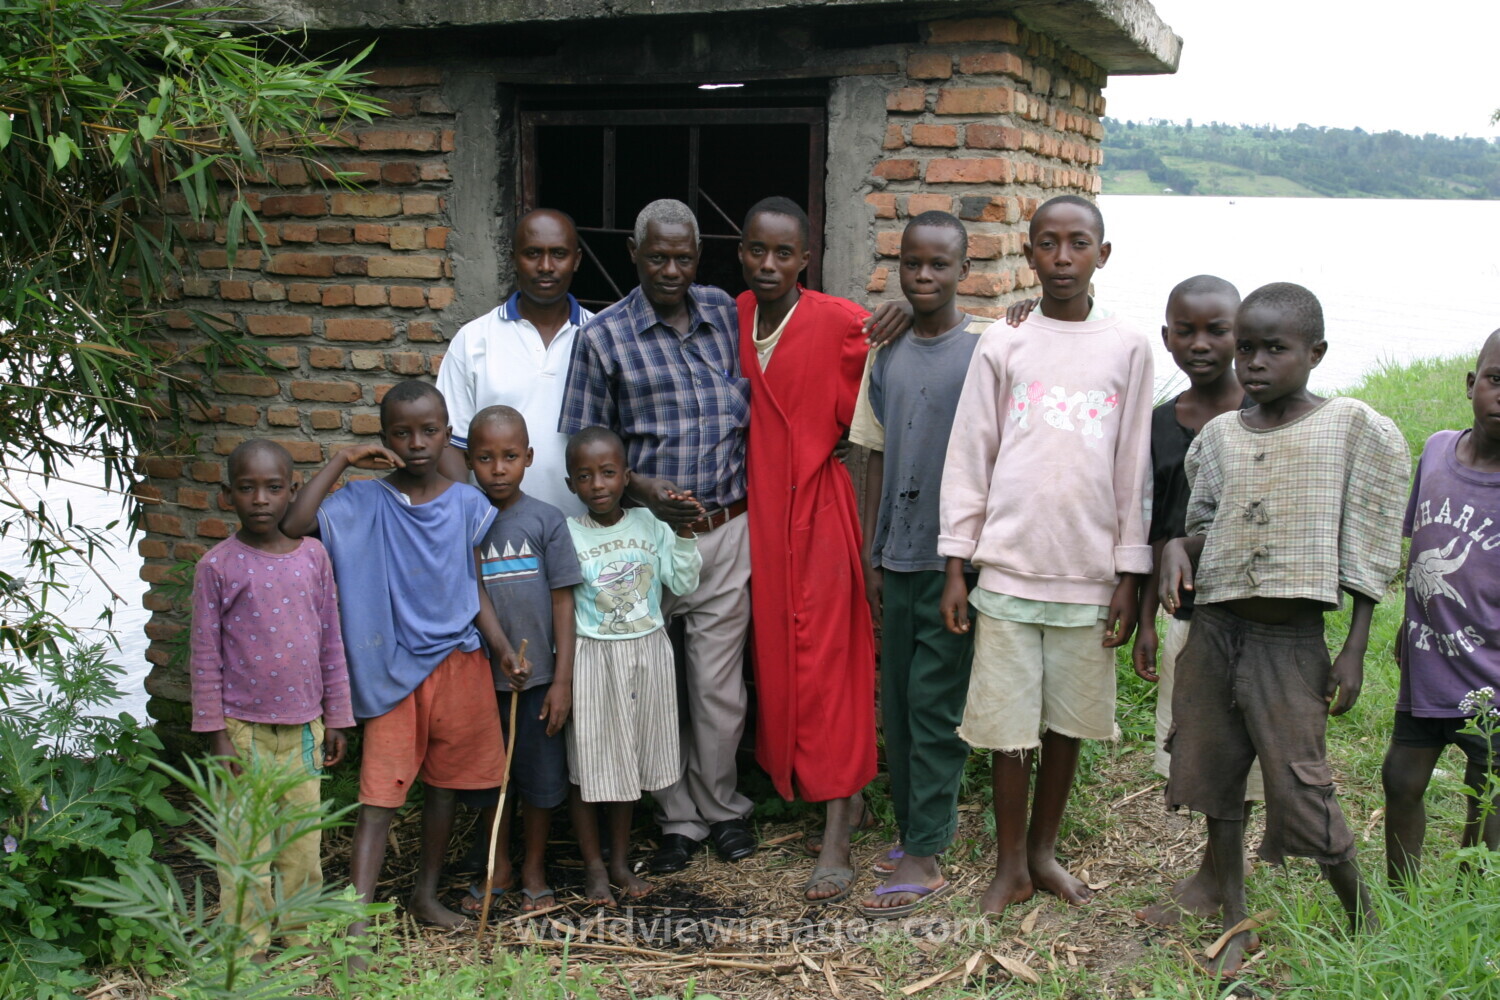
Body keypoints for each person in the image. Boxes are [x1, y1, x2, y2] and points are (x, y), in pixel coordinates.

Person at [1159, 282, 1409, 976]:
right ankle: (1231, 909)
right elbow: (1208, 527)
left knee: (1301, 783)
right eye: (1249, 349)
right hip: (1216, 633)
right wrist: (1178, 552)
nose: (1256, 364)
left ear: (1315, 353)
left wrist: (1354, 648)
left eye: (1276, 349)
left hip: (1289, 644)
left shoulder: (1352, 429)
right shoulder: (1219, 437)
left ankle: (1362, 912)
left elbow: (1367, 540)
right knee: (1213, 768)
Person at [938, 194, 1153, 919]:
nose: (1063, 258)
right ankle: (1009, 866)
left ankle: (1042, 852)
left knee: (1067, 724)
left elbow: (1133, 465)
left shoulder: (1126, 347)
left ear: (1103, 253)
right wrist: (957, 563)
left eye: (1078, 243)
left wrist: (1129, 571)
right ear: (1027, 253)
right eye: (1048, 244)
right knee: (1006, 730)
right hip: (1007, 570)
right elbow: (972, 454)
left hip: (1088, 576)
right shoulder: (1004, 343)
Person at [281, 380, 518, 946]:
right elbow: (292, 526)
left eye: (430, 431)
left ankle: (425, 895)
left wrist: (503, 647)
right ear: (383, 436)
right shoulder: (362, 501)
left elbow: (474, 584)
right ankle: (357, 922)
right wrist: (340, 460)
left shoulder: (468, 503)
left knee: (446, 787)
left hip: (460, 663)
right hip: (392, 671)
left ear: (447, 434)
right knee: (380, 798)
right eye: (401, 433)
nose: (417, 443)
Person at [734, 196, 877, 904]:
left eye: (783, 253)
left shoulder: (839, 321)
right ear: (741, 252)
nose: (769, 264)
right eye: (757, 250)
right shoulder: (729, 317)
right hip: (758, 514)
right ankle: (793, 781)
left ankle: (838, 829)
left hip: (818, 513)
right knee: (776, 657)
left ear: (805, 258)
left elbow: (924, 341)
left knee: (831, 663)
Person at [848, 211, 983, 918]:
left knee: (934, 705)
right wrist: (872, 549)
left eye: (939, 264)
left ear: (964, 270)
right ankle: (911, 833)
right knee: (897, 703)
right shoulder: (888, 353)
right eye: (911, 264)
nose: (924, 276)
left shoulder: (987, 349)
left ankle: (928, 853)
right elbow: (867, 455)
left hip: (955, 561)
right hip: (895, 554)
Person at [1126, 276, 1265, 929]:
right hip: (1183, 615)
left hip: (1255, 613)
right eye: (1187, 331)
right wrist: (1148, 623)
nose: (1202, 344)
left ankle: (1221, 873)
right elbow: (1155, 528)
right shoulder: (1160, 425)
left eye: (1218, 330)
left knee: (1245, 747)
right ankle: (1215, 869)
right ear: (1167, 338)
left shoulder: (1263, 417)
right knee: (1197, 746)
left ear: (1243, 336)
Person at [190, 439, 353, 955]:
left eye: (273, 488)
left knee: (303, 847)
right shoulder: (217, 567)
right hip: (242, 733)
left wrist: (338, 718)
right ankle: (247, 948)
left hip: (305, 731)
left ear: (293, 491)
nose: (260, 498)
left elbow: (331, 639)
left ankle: (301, 937)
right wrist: (216, 737)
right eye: (247, 488)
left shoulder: (314, 558)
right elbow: (204, 658)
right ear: (227, 495)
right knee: (245, 850)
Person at [562, 426, 702, 904]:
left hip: (646, 656)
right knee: (589, 766)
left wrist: (683, 532)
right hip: (593, 660)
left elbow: (681, 582)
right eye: (585, 476)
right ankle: (594, 866)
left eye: (607, 473)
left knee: (626, 767)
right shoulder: (567, 534)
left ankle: (620, 862)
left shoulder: (651, 525)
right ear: (570, 484)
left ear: (626, 476)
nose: (597, 484)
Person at [1382, 329, 1500, 886]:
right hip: (1429, 663)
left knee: (1489, 793)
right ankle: (1402, 899)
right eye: (1496, 380)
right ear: (1471, 383)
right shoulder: (1435, 450)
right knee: (1401, 781)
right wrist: (1407, 625)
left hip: (1491, 675)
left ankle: (1471, 900)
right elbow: (1421, 546)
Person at [458, 406, 582, 915]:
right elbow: (471, 590)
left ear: (529, 458)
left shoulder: (547, 521)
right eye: (485, 458)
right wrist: (502, 653)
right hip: (483, 681)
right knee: (492, 779)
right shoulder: (464, 520)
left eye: (510, 456)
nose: (499, 469)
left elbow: (562, 601)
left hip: (541, 682)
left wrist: (563, 683)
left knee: (540, 779)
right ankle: (498, 868)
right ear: (470, 462)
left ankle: (534, 866)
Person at [437, 209, 591, 513]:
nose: (545, 266)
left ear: (577, 259)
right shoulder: (474, 340)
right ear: (513, 258)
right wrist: (474, 515)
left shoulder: (600, 339)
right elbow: (450, 443)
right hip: (495, 534)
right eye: (533, 253)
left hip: (585, 536)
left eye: (558, 254)